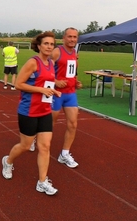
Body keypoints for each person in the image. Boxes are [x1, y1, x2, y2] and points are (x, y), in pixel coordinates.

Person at [1, 31, 61, 196]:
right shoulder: (32, 63)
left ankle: (42, 181)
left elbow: (46, 83)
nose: (49, 46)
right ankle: (8, 161)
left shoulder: (50, 63)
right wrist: (41, 89)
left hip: (45, 110)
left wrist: (53, 91)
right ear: (39, 45)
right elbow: (19, 84)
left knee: (45, 146)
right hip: (28, 110)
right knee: (26, 146)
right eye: (46, 44)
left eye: (51, 44)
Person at [50, 27, 82, 168]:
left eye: (75, 37)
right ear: (63, 38)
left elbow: (73, 72)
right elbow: (45, 70)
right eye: (69, 36)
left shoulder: (75, 53)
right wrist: (55, 81)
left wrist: (77, 81)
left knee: (73, 124)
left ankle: (64, 154)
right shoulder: (57, 52)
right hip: (56, 93)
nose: (72, 39)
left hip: (70, 94)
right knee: (50, 124)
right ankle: (35, 138)